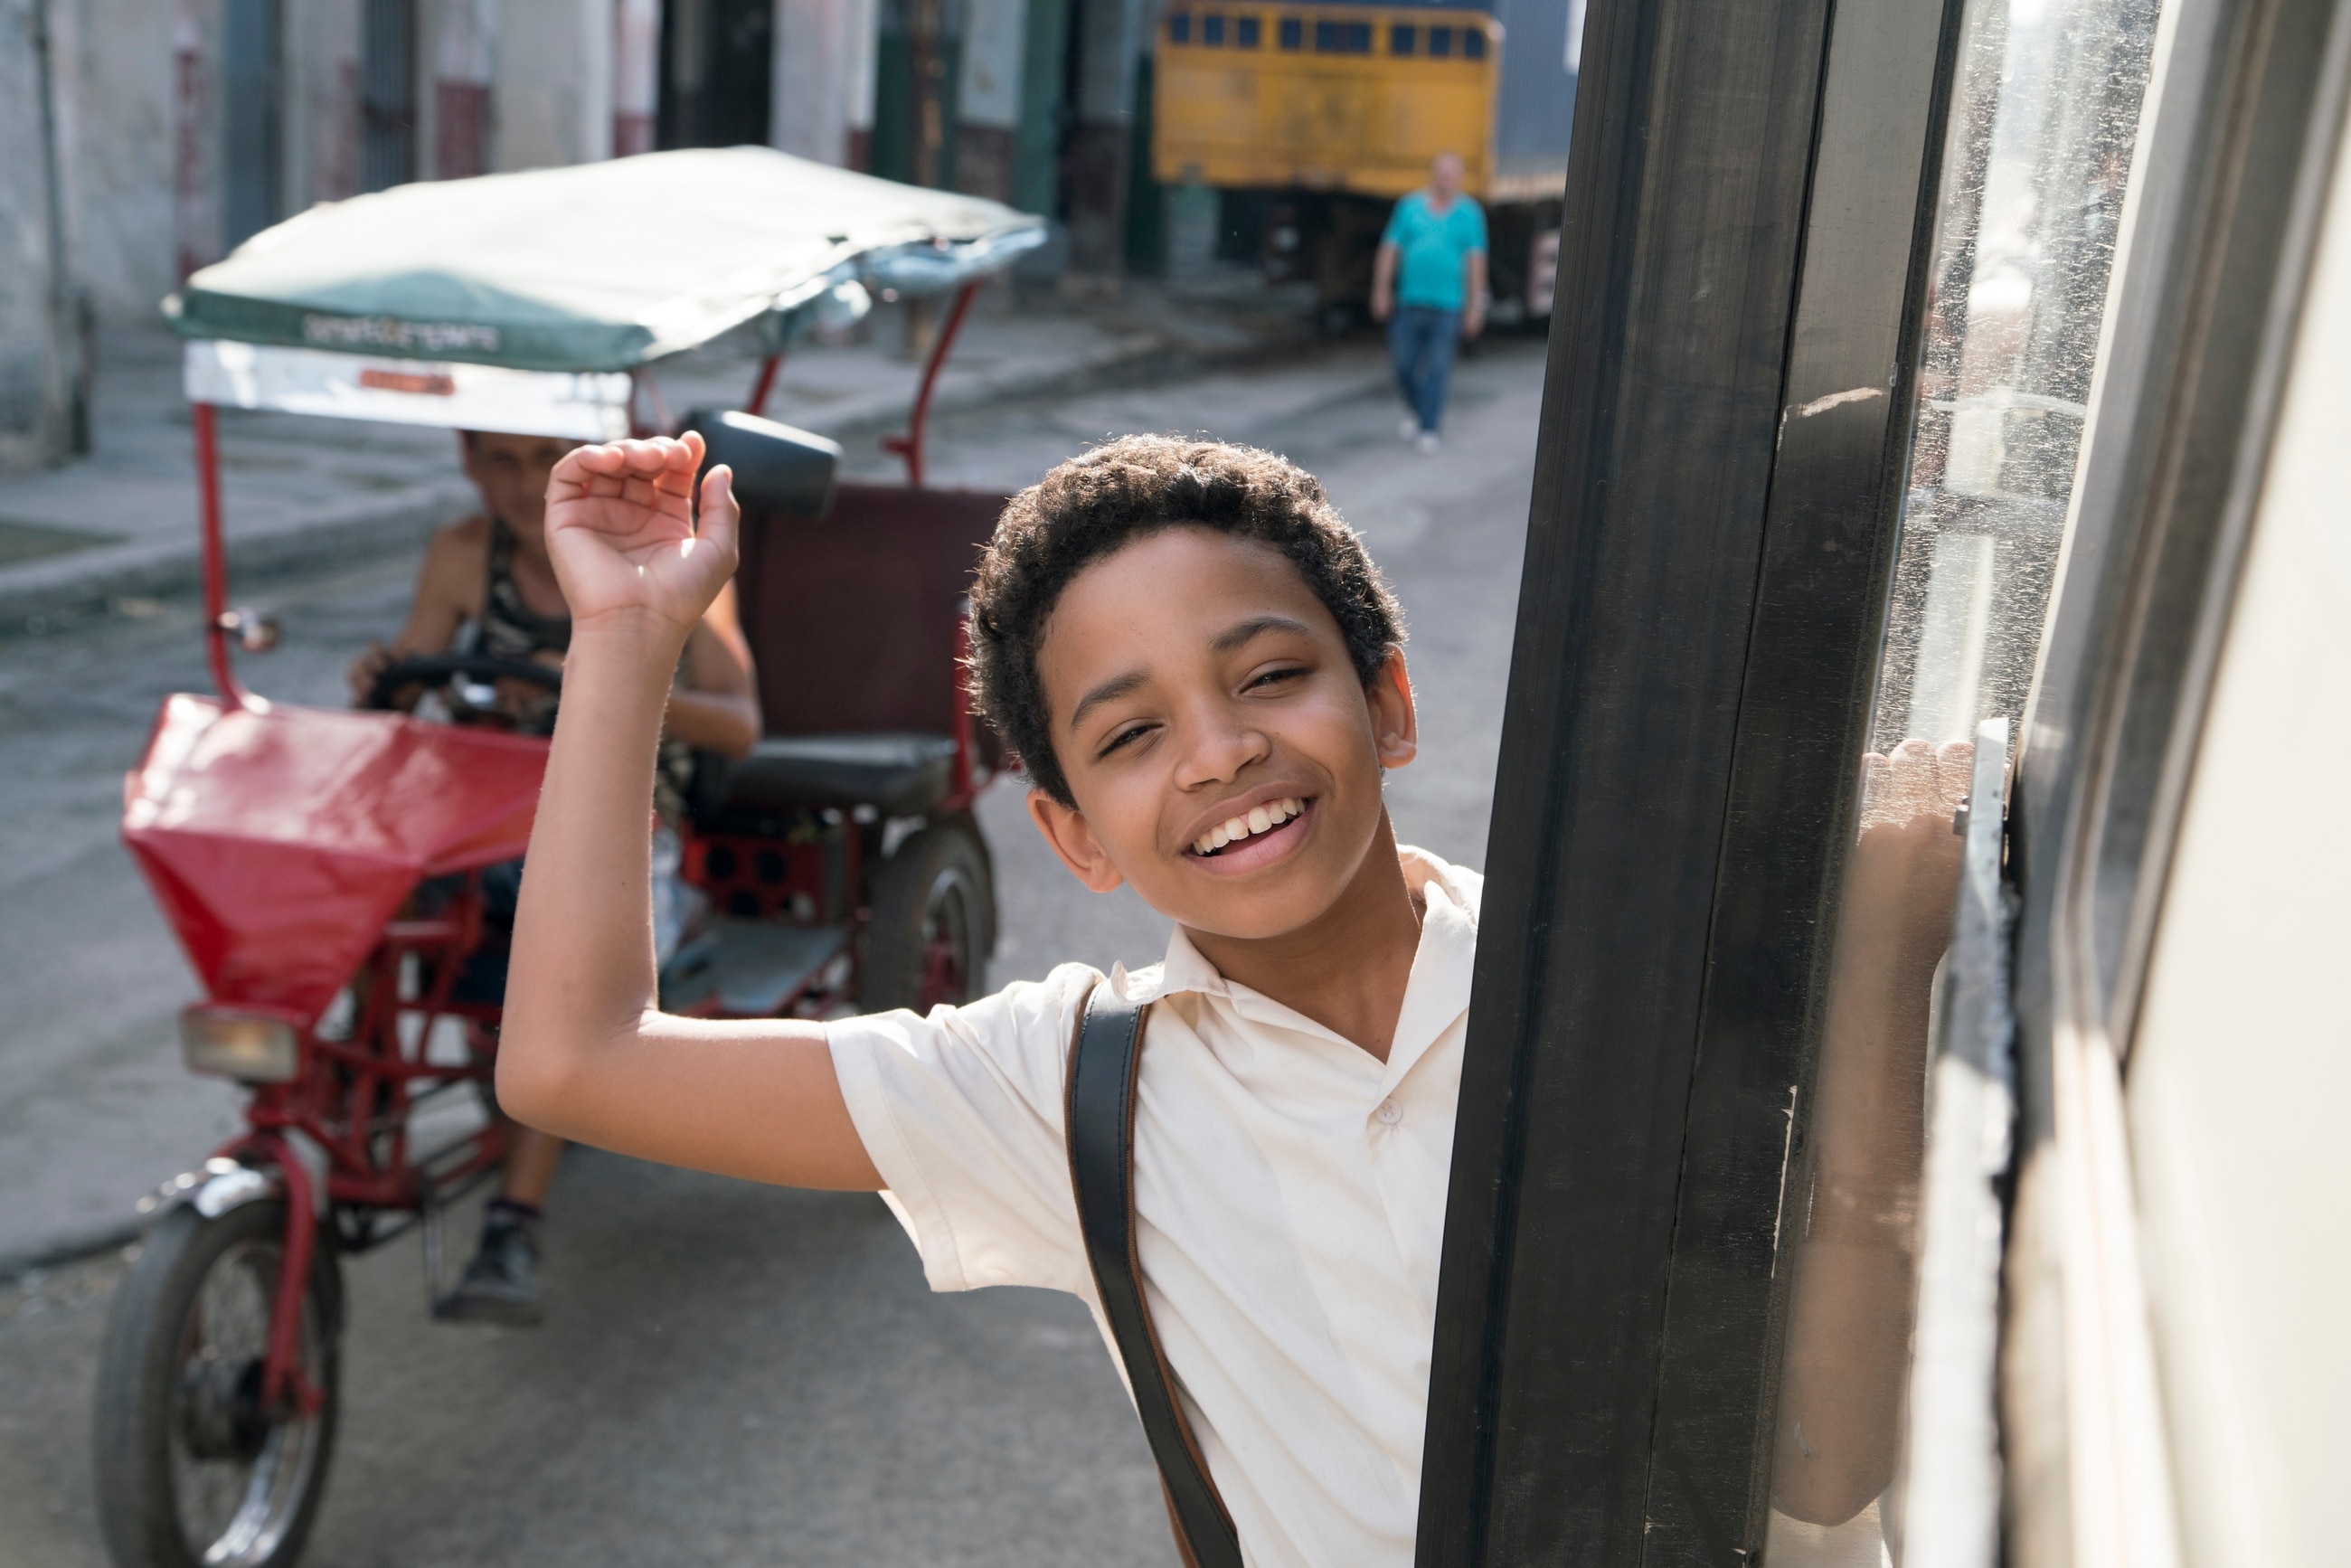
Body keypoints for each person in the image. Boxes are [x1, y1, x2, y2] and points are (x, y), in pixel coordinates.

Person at [496, 430, 1950, 1563]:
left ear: (1387, 702)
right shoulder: (1066, 1089)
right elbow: (577, 1059)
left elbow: (1822, 1469)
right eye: (1129, 732)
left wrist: (1883, 971)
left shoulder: (1620, 990)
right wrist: (628, 635)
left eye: (1267, 673)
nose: (1216, 753)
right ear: (1072, 836)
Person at [348, 427, 761, 1326]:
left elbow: (738, 725)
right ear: (466, 464)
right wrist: (387, 678)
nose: (518, 483)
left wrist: (599, 674)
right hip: (474, 815)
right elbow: (408, 685)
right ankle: (353, 1099)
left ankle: (512, 1221)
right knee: (350, 887)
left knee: (560, 984)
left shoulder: (664, 551)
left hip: (622, 818)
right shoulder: (464, 554)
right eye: (496, 461)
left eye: (541, 459)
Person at [1370, 151, 1488, 454]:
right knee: (1403, 364)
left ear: (1458, 179)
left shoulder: (1469, 214)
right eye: (1441, 173)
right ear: (1433, 175)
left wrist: (1475, 308)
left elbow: (1475, 263)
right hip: (1410, 303)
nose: (1445, 179)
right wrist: (1381, 291)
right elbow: (1389, 250)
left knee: (1437, 368)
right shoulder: (1409, 207)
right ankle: (1420, 411)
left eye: (1451, 174)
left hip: (1448, 307)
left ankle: (1429, 427)